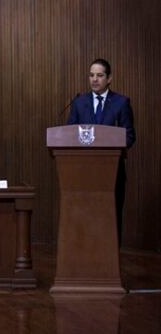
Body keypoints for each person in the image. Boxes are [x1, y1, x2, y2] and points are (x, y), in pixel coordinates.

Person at [66, 58, 136, 242]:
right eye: (91, 75)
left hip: (112, 172)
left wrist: (110, 141)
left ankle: (111, 260)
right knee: (85, 216)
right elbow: (69, 134)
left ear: (109, 78)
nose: (94, 79)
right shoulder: (79, 102)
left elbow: (129, 137)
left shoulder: (121, 102)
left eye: (99, 75)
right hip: (83, 172)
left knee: (111, 217)